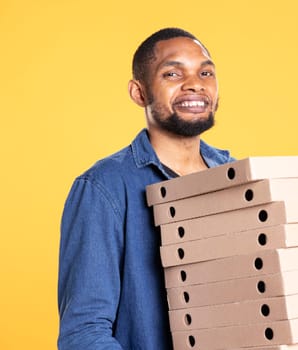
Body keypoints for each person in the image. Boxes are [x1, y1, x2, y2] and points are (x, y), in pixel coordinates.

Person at [57, 27, 235, 349]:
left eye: (205, 72)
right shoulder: (102, 189)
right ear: (139, 93)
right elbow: (83, 334)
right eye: (172, 73)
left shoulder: (238, 180)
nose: (195, 83)